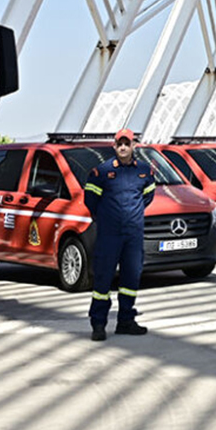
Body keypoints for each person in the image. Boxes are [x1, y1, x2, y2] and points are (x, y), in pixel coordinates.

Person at [81, 129, 155, 341]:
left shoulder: (144, 170)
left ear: (134, 146)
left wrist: (132, 215)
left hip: (133, 234)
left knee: (131, 277)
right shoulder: (102, 172)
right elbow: (90, 200)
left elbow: (148, 196)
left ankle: (126, 321)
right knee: (103, 279)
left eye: (127, 143)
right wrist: (105, 217)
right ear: (114, 146)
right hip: (109, 234)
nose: (123, 147)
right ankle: (98, 324)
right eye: (119, 144)